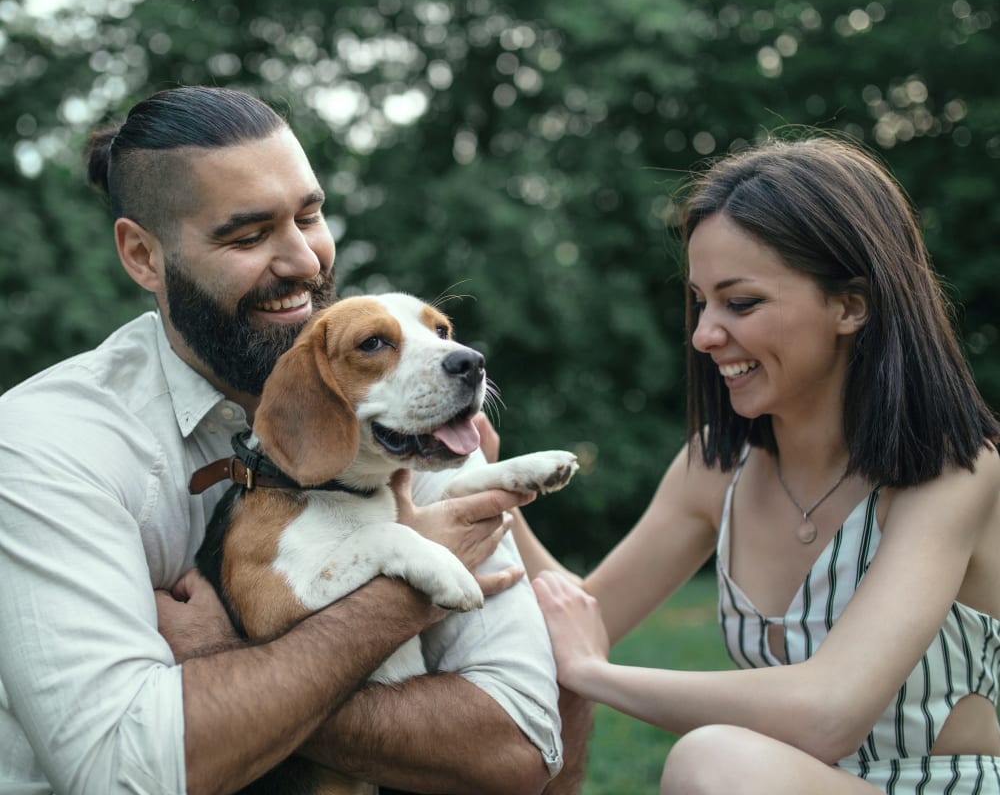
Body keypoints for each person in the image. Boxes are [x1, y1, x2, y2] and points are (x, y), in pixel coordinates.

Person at [0, 85, 565, 795]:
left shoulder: (405, 409)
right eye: (247, 234)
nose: (304, 261)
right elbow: (120, 774)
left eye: (311, 214)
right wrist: (398, 596)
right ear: (144, 256)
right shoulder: (45, 445)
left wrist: (217, 659)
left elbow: (519, 747)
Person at [517, 135, 1000, 793]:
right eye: (700, 301)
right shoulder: (714, 468)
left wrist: (595, 677)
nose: (704, 334)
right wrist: (484, 491)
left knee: (715, 761)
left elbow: (830, 714)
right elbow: (578, 622)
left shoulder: (953, 474)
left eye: (740, 303)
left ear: (850, 305)